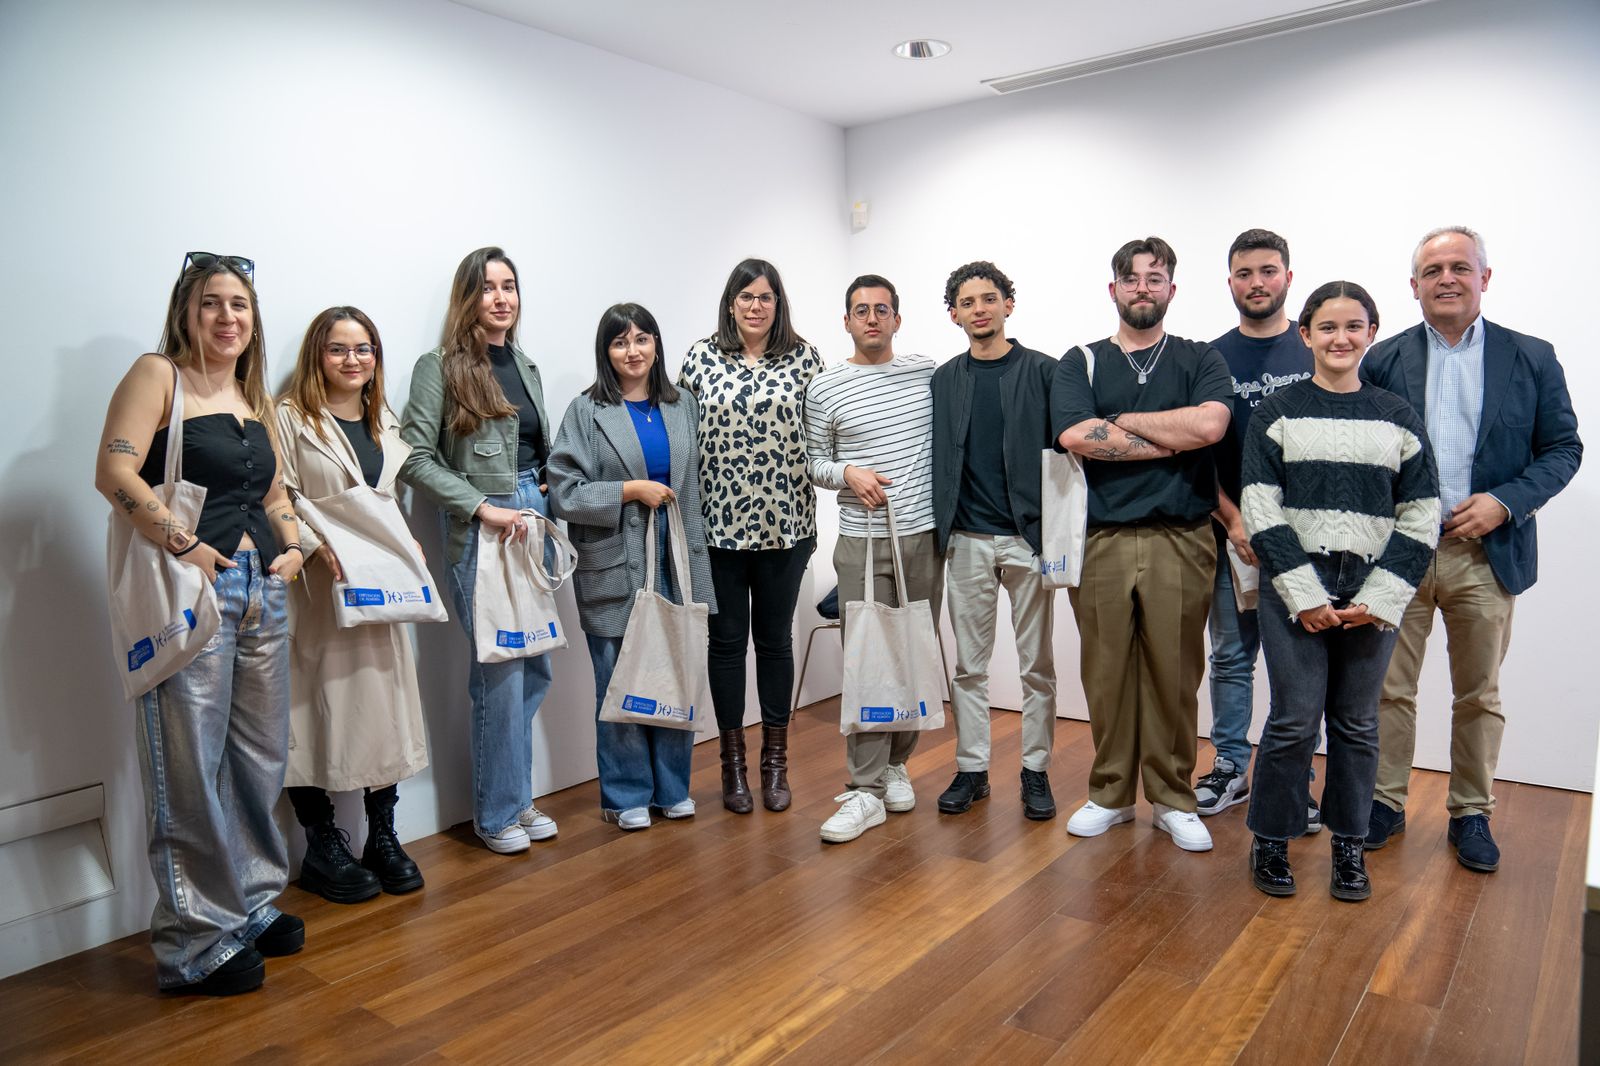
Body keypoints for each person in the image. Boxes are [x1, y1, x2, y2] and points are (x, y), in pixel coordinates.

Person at [94, 252, 305, 995]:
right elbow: (114, 472)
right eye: (212, 303)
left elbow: (275, 493)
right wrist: (181, 541)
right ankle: (193, 941)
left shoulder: (254, 398)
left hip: (262, 591)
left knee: (258, 758)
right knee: (188, 764)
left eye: (240, 304)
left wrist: (296, 544)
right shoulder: (160, 375)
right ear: (187, 310)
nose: (227, 317)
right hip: (191, 590)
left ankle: (247, 902)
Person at [1360, 227, 1582, 873]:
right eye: (1433, 270)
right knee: (1388, 690)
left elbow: (1563, 449)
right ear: (1414, 286)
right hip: (1398, 555)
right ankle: (1385, 802)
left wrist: (1505, 501)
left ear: (1486, 278)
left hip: (1487, 554)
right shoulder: (1385, 360)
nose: (1447, 278)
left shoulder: (1531, 357)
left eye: (1460, 267)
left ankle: (1471, 812)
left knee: (1478, 693)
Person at [1242, 281, 1440, 900]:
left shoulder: (1397, 416)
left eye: (1354, 326)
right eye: (1327, 327)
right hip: (1295, 586)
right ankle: (1271, 839)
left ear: (1371, 335)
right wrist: (1303, 593)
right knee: (1295, 720)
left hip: (1369, 591)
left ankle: (1349, 847)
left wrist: (1380, 598)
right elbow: (1259, 507)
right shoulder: (1275, 414)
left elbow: (1422, 513)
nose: (1340, 338)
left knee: (1356, 724)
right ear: (1305, 335)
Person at [1052, 236, 1233, 852]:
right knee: (1105, 673)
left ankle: (1173, 798)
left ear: (1172, 290)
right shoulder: (1081, 361)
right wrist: (1169, 437)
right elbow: (1076, 433)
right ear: (1114, 290)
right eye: (1131, 279)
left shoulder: (1199, 357)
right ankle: (1109, 793)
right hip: (1099, 539)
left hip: (1181, 536)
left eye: (1155, 278)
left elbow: (1210, 425)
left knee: (1175, 672)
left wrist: (1122, 422)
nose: (1142, 288)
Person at [400, 246, 559, 855]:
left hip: (533, 518)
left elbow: (533, 446)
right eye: (488, 287)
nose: (501, 298)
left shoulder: (525, 364)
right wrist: (481, 506)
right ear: (468, 298)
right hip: (483, 526)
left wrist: (542, 484)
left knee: (536, 662)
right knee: (500, 667)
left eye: (510, 286)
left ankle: (518, 797)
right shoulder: (438, 366)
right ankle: (495, 814)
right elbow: (414, 457)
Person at [276, 307, 429, 901]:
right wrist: (315, 545)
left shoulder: (383, 420)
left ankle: (383, 835)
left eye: (363, 349)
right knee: (313, 709)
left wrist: (405, 536)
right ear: (317, 355)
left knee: (384, 704)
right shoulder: (289, 417)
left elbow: (383, 499)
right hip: (319, 585)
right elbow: (278, 493)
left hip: (380, 586)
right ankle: (322, 844)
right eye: (338, 349)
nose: (352, 360)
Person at [548, 303, 717, 831]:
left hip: (677, 557)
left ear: (657, 345)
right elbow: (564, 492)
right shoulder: (586, 411)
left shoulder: (681, 404)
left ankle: (672, 789)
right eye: (620, 342)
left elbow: (696, 487)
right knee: (619, 679)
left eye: (642, 339)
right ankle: (624, 795)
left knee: (676, 671)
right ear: (606, 352)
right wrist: (627, 491)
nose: (633, 351)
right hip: (615, 561)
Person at [678, 258, 823, 814]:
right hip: (718, 529)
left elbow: (823, 435)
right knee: (726, 645)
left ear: (778, 303)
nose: (756, 306)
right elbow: (682, 436)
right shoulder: (700, 357)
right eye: (746, 296)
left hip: (787, 526)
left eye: (765, 297)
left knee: (776, 642)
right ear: (731, 302)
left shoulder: (805, 357)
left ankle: (775, 763)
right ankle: (733, 765)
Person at [803, 274, 939, 843]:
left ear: (898, 319)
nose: (873, 319)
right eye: (862, 310)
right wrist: (848, 473)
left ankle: (896, 764)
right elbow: (812, 463)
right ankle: (863, 790)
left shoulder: (927, 374)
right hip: (862, 539)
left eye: (883, 309)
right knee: (867, 658)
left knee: (912, 653)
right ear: (847, 321)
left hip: (922, 537)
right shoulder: (826, 387)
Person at [1195, 229, 1316, 824]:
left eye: (1268, 271)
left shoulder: (1317, 348)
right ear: (1230, 283)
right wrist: (1234, 518)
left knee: (1302, 662)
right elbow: (1197, 453)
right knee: (1232, 656)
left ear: (1288, 278)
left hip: (1310, 542)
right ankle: (1228, 768)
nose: (1257, 283)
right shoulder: (1210, 358)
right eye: (1244, 273)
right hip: (1235, 536)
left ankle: (1297, 779)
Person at [931, 261, 1059, 821]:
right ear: (954, 313)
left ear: (1009, 304)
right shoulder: (945, 379)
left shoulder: (1045, 372)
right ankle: (973, 769)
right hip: (966, 540)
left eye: (990, 298)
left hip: (1028, 540)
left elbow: (1067, 457)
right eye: (968, 301)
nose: (979, 309)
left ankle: (1035, 771)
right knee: (970, 666)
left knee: (1036, 666)